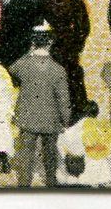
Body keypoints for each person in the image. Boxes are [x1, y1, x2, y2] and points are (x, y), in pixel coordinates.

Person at [10, 27, 72, 189]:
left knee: (26, 154)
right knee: (50, 153)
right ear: (50, 43)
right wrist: (66, 120)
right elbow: (63, 99)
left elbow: (12, 69)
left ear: (32, 43)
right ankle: (51, 182)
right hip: (50, 119)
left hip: (27, 116)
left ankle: (24, 184)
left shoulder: (24, 65)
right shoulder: (58, 70)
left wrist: (28, 53)